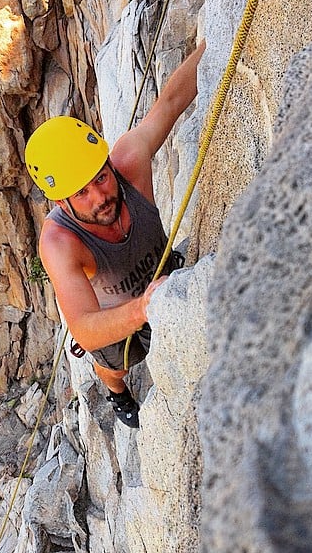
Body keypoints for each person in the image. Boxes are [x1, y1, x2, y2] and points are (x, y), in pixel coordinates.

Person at [25, 41, 206, 428]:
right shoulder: (60, 243)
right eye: (81, 193)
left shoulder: (129, 162)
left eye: (100, 178)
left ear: (108, 163)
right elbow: (86, 330)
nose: (101, 196)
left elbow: (172, 101)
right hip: (117, 321)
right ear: (59, 201)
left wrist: (212, 48)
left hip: (161, 275)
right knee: (114, 364)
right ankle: (116, 393)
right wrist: (142, 309)